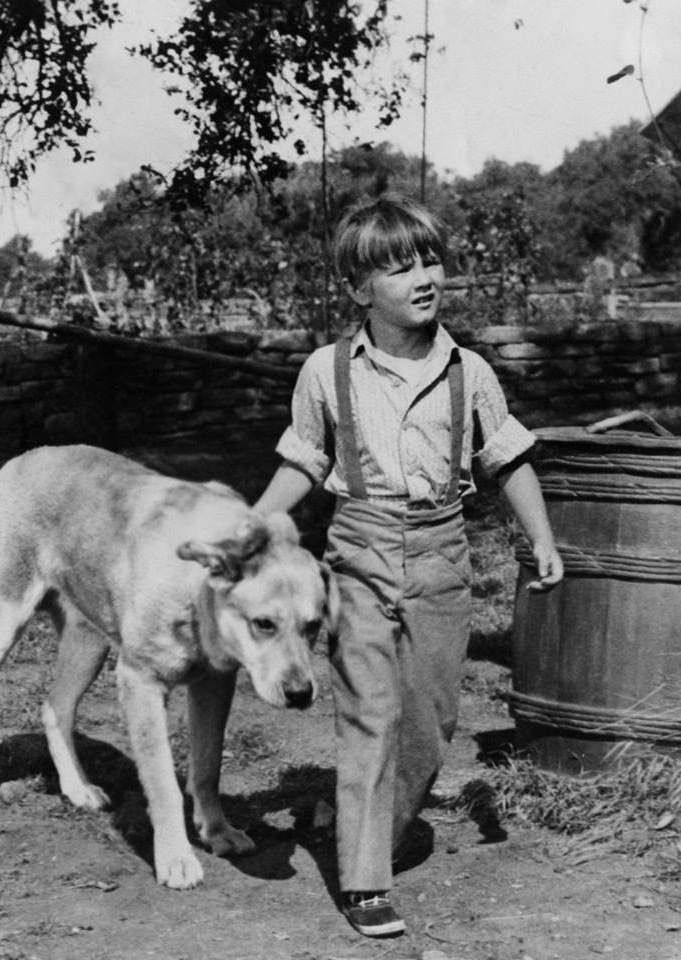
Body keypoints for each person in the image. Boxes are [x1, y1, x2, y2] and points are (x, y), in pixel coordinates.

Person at [254, 195, 563, 938]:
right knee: (370, 712)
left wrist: (542, 539)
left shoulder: (470, 371)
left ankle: (366, 827)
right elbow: (305, 459)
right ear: (359, 289)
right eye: (399, 269)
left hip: (441, 552)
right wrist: (251, 525)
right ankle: (366, 882)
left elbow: (507, 458)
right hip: (357, 549)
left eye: (430, 262)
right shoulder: (325, 371)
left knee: (430, 721)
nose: (423, 278)